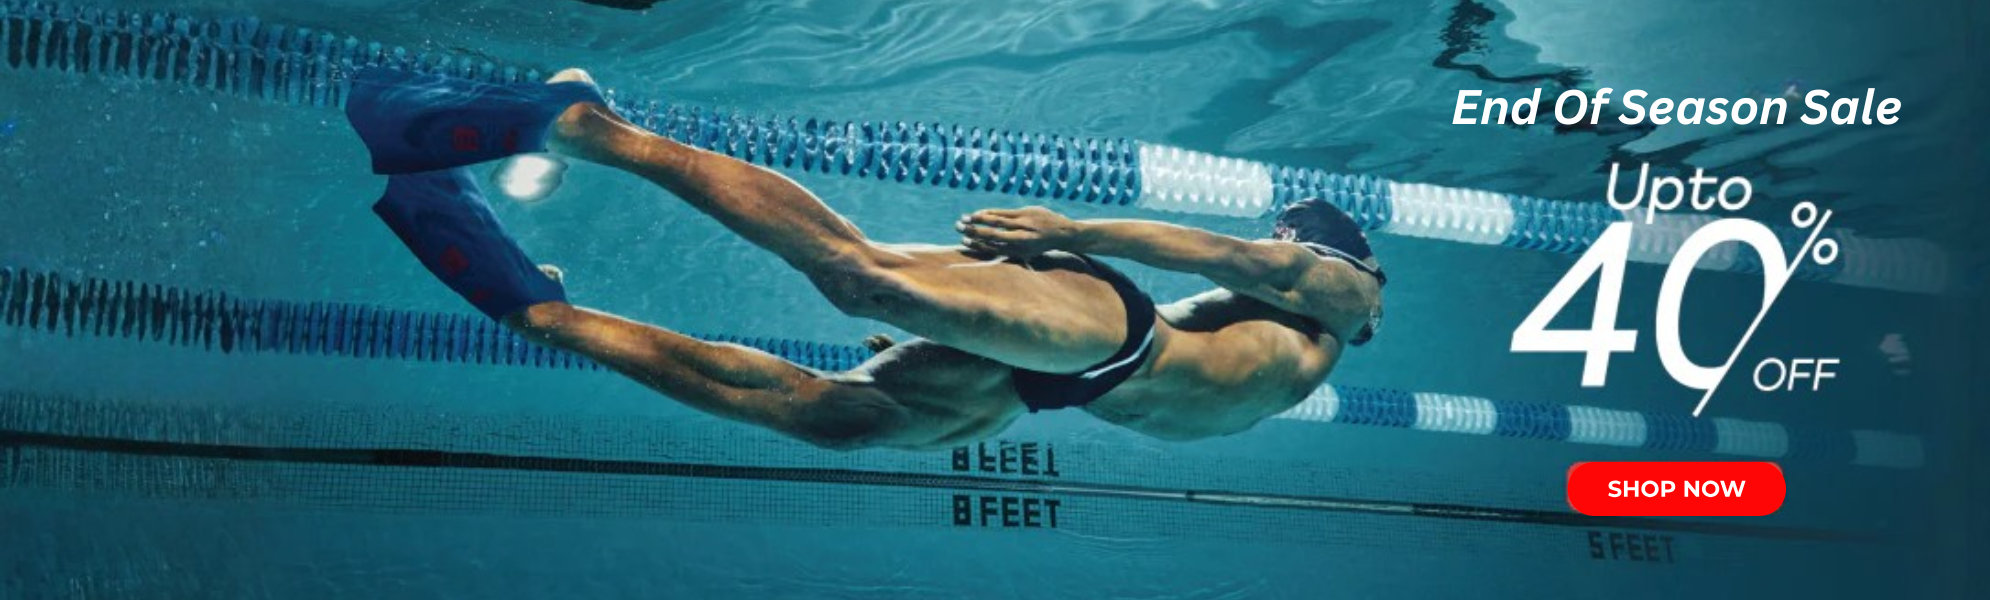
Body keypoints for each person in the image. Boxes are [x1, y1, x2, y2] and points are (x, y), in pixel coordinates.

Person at [346, 67, 1385, 451]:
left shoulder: (1329, 315)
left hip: (1048, 386)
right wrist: (1072, 234)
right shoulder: (1328, 296)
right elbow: (1220, 251)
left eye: (1285, 242)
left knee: (828, 419)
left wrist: (992, 338)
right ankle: (591, 128)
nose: (1272, 252)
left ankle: (547, 317)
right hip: (1111, 334)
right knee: (859, 276)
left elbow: (1247, 266)